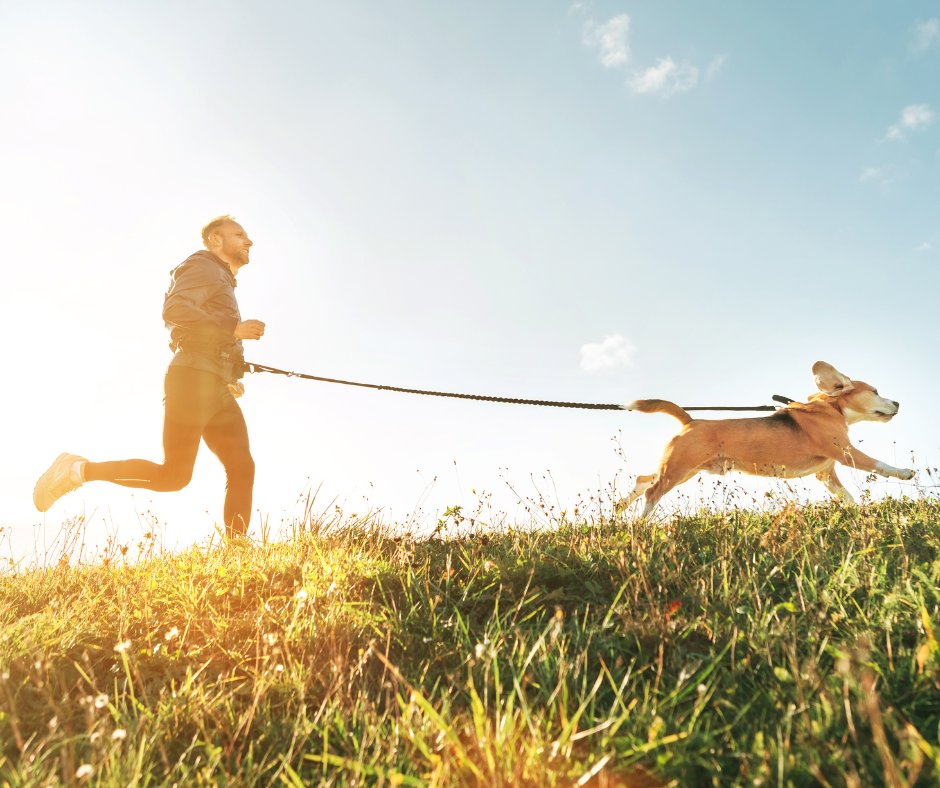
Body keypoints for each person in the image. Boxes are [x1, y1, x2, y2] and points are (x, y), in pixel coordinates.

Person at [33, 216, 266, 538]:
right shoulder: (203, 267)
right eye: (239, 234)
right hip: (191, 379)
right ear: (215, 240)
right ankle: (76, 470)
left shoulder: (222, 279)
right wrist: (232, 328)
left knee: (242, 467)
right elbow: (175, 310)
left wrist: (233, 372)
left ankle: (238, 549)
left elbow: (209, 334)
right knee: (174, 476)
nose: (248, 241)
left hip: (214, 384)